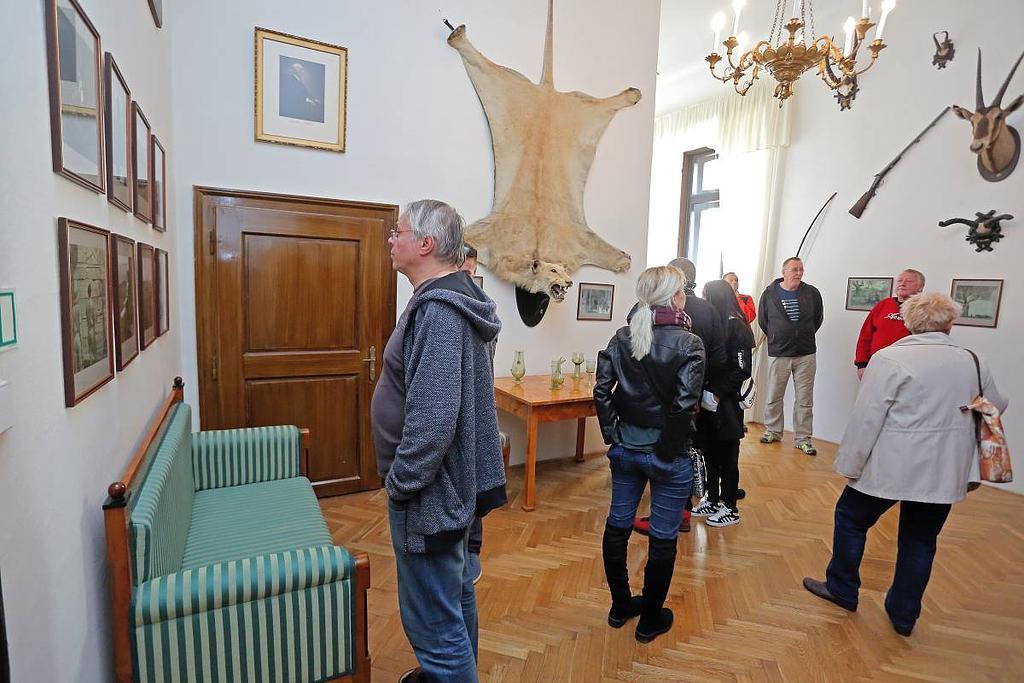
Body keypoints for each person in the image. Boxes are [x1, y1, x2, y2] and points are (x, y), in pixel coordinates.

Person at [803, 292, 1007, 637]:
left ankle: (842, 588)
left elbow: (866, 418)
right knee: (921, 540)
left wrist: (850, 465)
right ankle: (903, 615)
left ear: (909, 323)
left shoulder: (889, 359)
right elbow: (996, 404)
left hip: (892, 465)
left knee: (851, 518)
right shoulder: (972, 360)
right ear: (949, 324)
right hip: (944, 469)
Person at [371, 200, 507, 682]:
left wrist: (401, 483)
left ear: (425, 244)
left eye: (399, 232)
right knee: (455, 597)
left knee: (435, 628)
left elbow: (433, 421)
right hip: (453, 484)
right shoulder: (452, 299)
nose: (392, 239)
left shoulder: (439, 311)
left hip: (431, 493)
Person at [594, 266, 705, 643]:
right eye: (683, 290)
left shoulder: (622, 336)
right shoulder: (689, 342)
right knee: (662, 536)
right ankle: (649, 620)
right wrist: (664, 454)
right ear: (674, 297)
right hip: (668, 458)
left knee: (618, 525)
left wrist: (615, 436)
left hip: (626, 450)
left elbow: (601, 391)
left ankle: (620, 606)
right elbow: (685, 405)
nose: (685, 295)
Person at [631, 257, 726, 535]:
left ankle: (663, 518)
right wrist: (701, 386)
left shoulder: (642, 310)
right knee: (685, 454)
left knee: (660, 459)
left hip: (650, 403)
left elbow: (634, 354)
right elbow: (719, 356)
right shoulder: (708, 310)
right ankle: (681, 514)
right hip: (692, 399)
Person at [690, 280, 755, 527]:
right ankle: (713, 498)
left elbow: (741, 369)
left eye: (706, 295)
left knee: (728, 456)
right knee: (709, 451)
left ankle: (730, 506)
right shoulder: (715, 324)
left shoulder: (737, 327)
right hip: (708, 401)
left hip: (726, 403)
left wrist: (716, 393)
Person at [757, 257, 823, 455]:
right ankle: (773, 431)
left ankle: (803, 439)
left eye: (801, 269)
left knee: (805, 399)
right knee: (774, 396)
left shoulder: (812, 293)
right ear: (784, 271)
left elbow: (817, 319)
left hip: (806, 354)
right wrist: (778, 336)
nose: (799, 273)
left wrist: (802, 335)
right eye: (794, 269)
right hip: (779, 352)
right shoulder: (769, 294)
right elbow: (763, 321)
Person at [460, 244, 486, 584]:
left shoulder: (481, 308)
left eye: (470, 271)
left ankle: (472, 550)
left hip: (475, 407)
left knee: (474, 481)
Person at [854, 269, 925, 380]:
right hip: (876, 365)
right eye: (900, 280)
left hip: (908, 369)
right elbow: (865, 336)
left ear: (921, 287)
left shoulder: (925, 309)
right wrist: (861, 364)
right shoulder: (883, 305)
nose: (902, 284)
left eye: (909, 281)